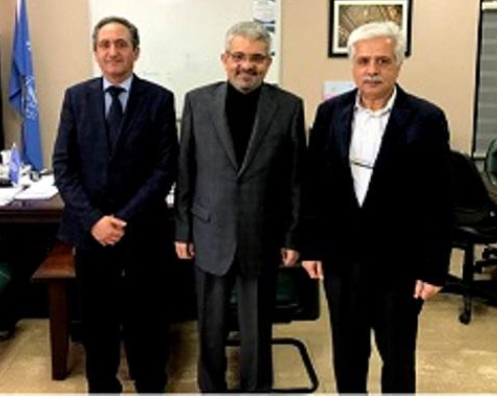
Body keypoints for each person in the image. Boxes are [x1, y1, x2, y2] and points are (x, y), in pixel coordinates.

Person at [301, 21, 452, 394]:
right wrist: (311, 246)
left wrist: (434, 268)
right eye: (363, 61)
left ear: (398, 65)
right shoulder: (329, 113)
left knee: (397, 357)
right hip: (342, 260)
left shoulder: (427, 118)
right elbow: (315, 185)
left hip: (399, 263)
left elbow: (439, 197)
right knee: (348, 355)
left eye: (383, 61)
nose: (372, 70)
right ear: (352, 65)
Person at [175, 21, 306, 392]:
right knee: (210, 327)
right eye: (238, 56)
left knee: (257, 329)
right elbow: (186, 170)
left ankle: (256, 391)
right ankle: (211, 390)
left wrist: (292, 236)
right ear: (224, 59)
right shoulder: (197, 102)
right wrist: (183, 229)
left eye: (257, 58)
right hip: (209, 231)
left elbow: (296, 179)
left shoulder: (289, 107)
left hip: (261, 234)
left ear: (268, 62)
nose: (247, 65)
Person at [53, 16, 178, 394]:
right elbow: (63, 166)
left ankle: (150, 383)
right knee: (97, 319)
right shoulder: (76, 98)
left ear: (136, 52)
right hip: (91, 233)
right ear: (95, 52)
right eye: (105, 45)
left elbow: (164, 168)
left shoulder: (159, 99)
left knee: (148, 316)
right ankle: (102, 386)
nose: (113, 52)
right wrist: (95, 221)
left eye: (121, 44)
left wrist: (121, 218)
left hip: (144, 229)